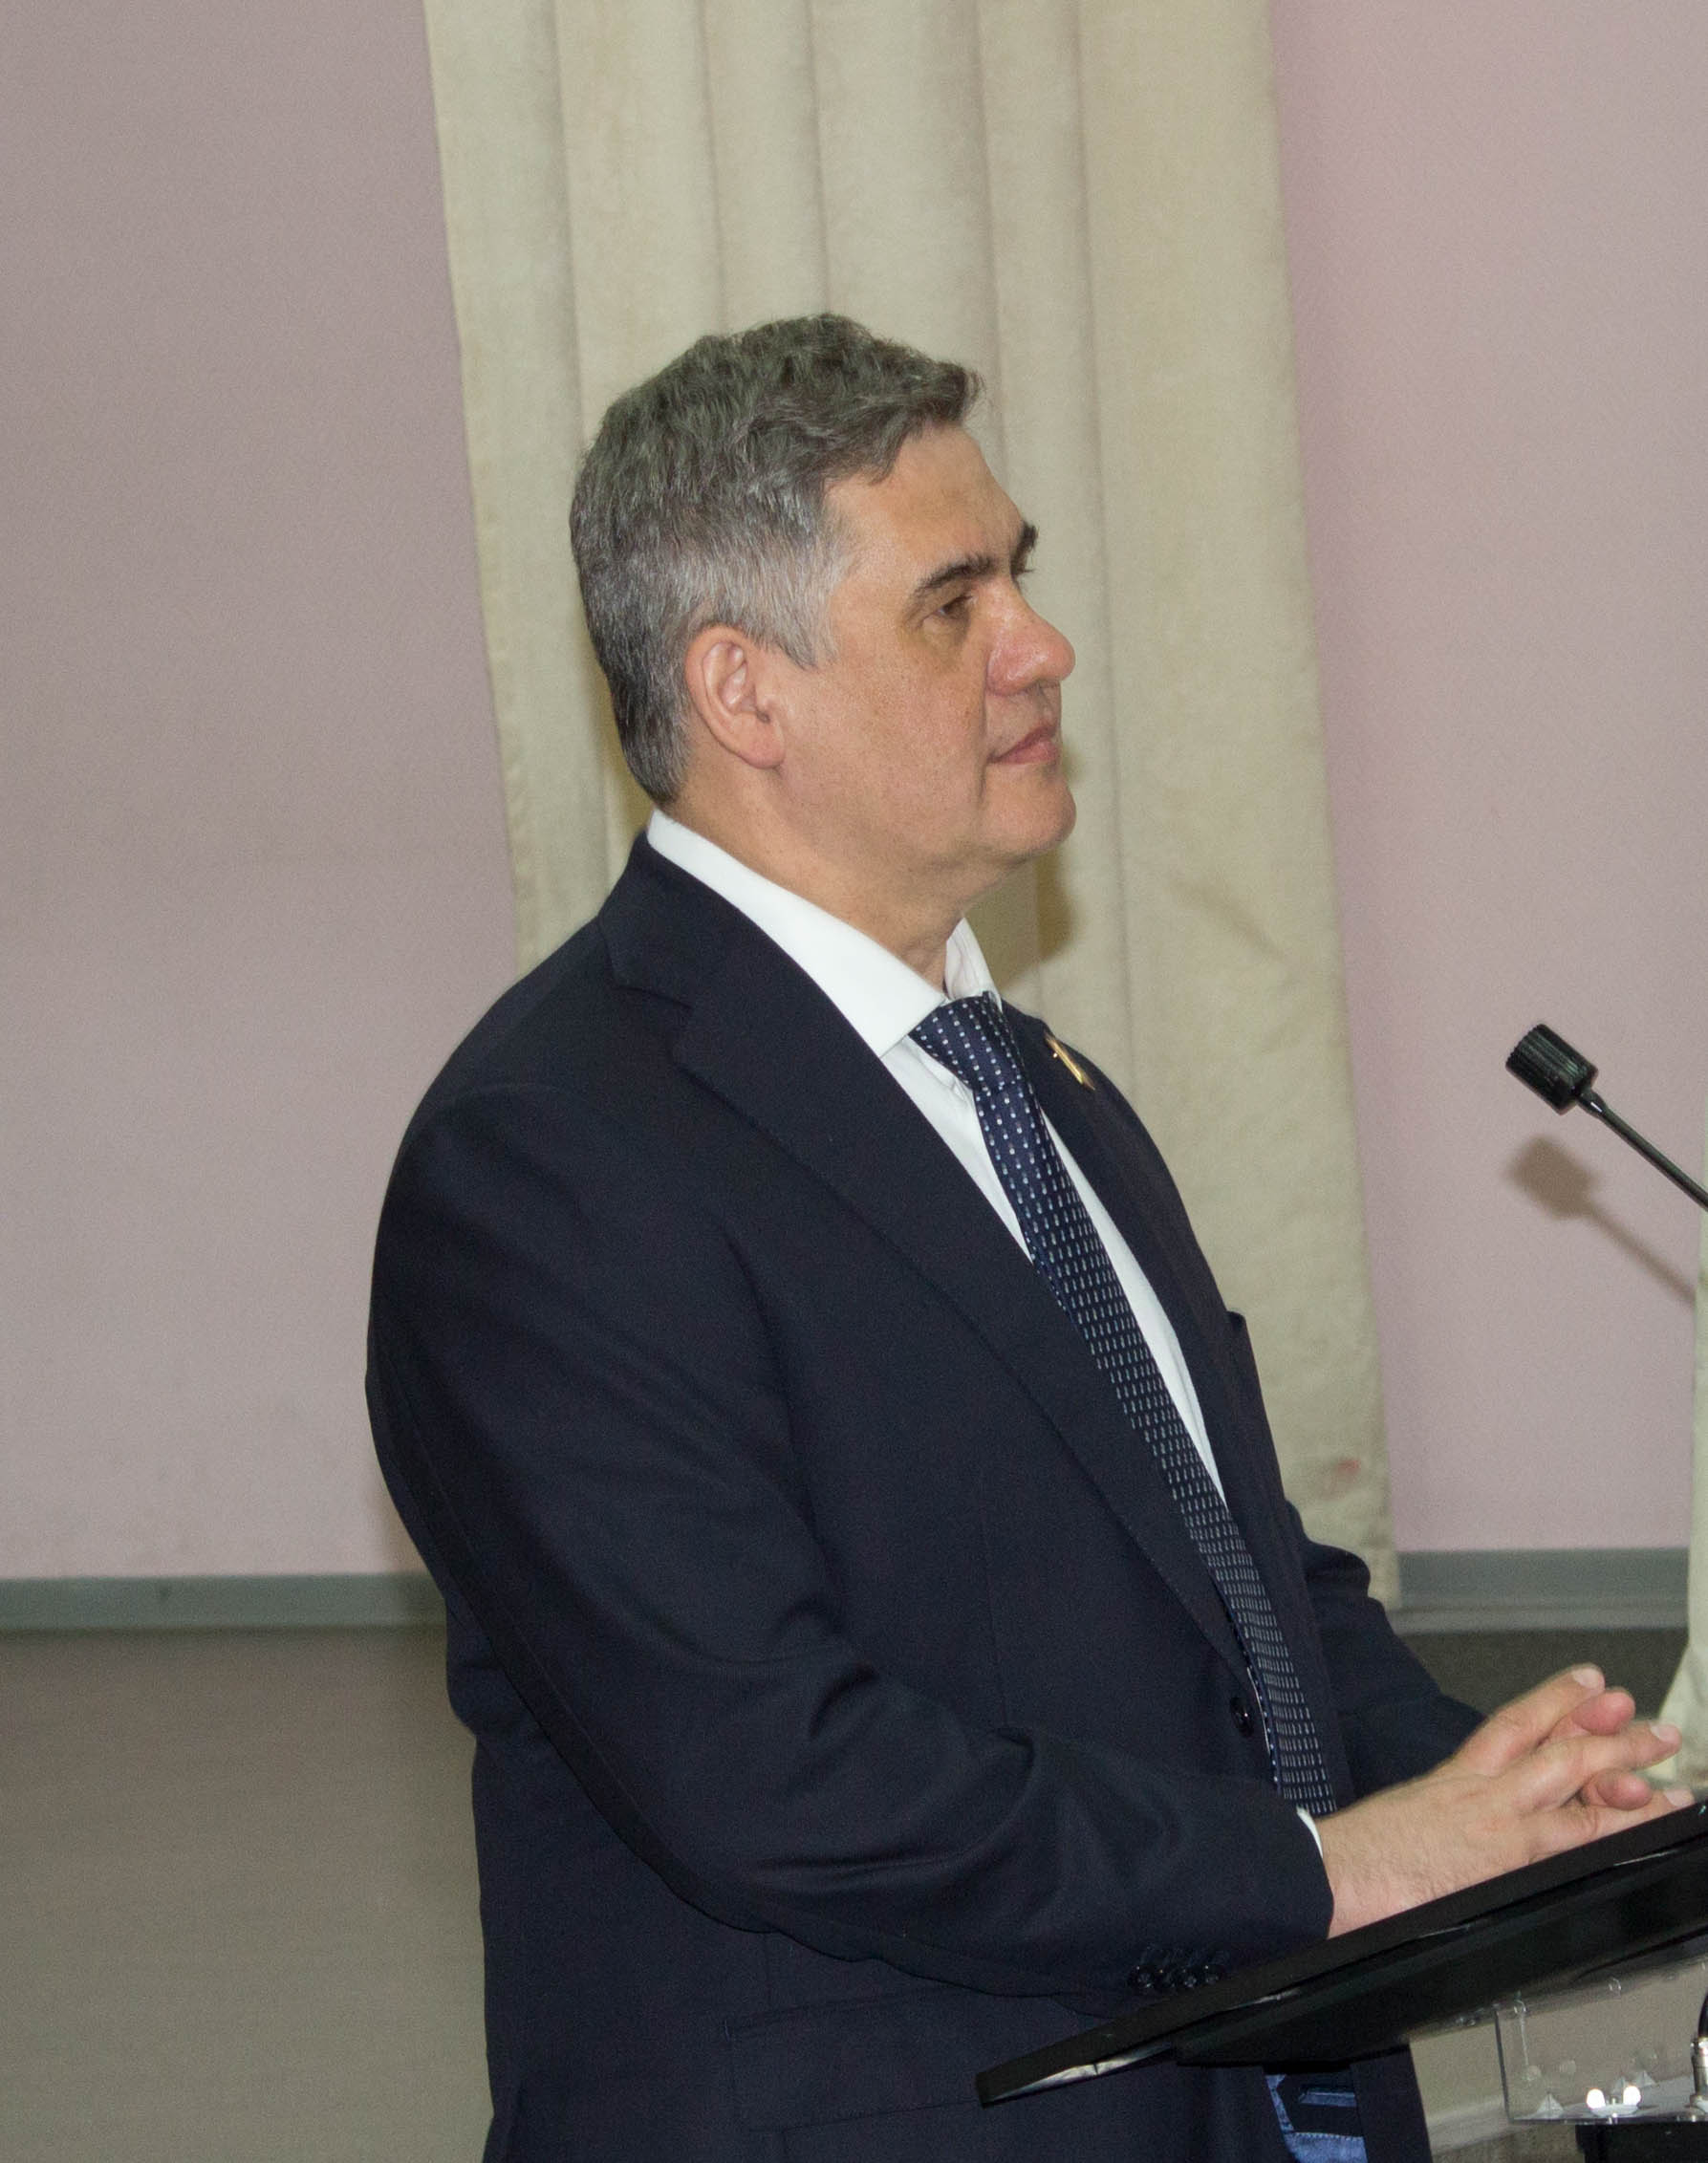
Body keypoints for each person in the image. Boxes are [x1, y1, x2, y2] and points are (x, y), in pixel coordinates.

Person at [366, 315, 1687, 2163]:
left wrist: (1515, 1790)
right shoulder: (548, 1161)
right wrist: (1327, 1870)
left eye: (1022, 575)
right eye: (951, 602)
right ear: (744, 693)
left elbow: (1236, 1573)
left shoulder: (1027, 1079)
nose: (1041, 646)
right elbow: (771, 1771)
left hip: (1232, 2086)